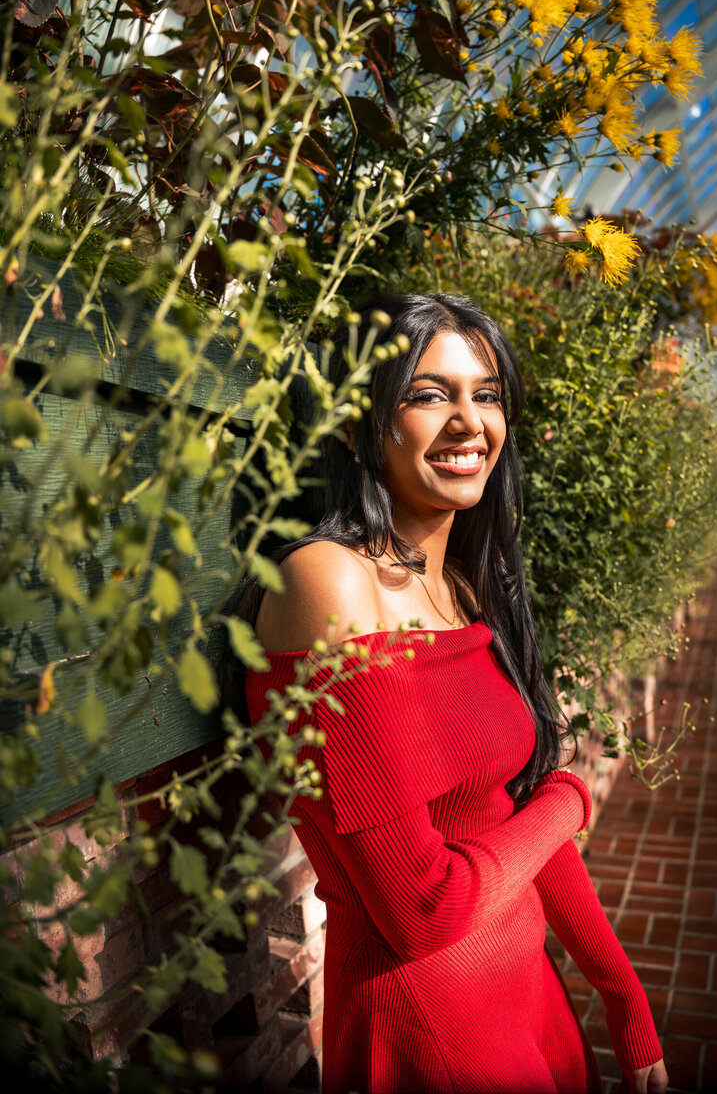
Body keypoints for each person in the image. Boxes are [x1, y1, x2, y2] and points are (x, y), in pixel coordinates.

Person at [244, 293, 668, 1094]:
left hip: (526, 991)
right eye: (429, 393)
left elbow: (504, 824)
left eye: (486, 394)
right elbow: (424, 910)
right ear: (359, 423)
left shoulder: (467, 590)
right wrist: (569, 799)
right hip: (431, 1027)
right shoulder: (328, 582)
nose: (470, 420)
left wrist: (620, 992)